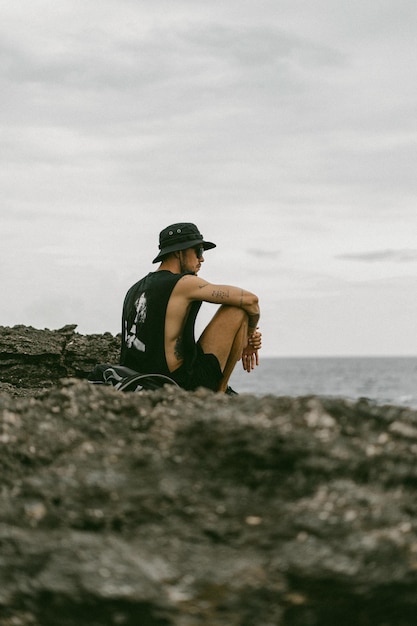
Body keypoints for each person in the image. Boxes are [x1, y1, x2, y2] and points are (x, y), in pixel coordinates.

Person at [120, 222, 262, 393]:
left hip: (138, 380)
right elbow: (251, 300)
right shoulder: (183, 283)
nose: (202, 259)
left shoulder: (134, 290)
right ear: (179, 252)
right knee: (237, 310)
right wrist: (248, 334)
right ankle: (221, 392)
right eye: (198, 251)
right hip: (179, 383)